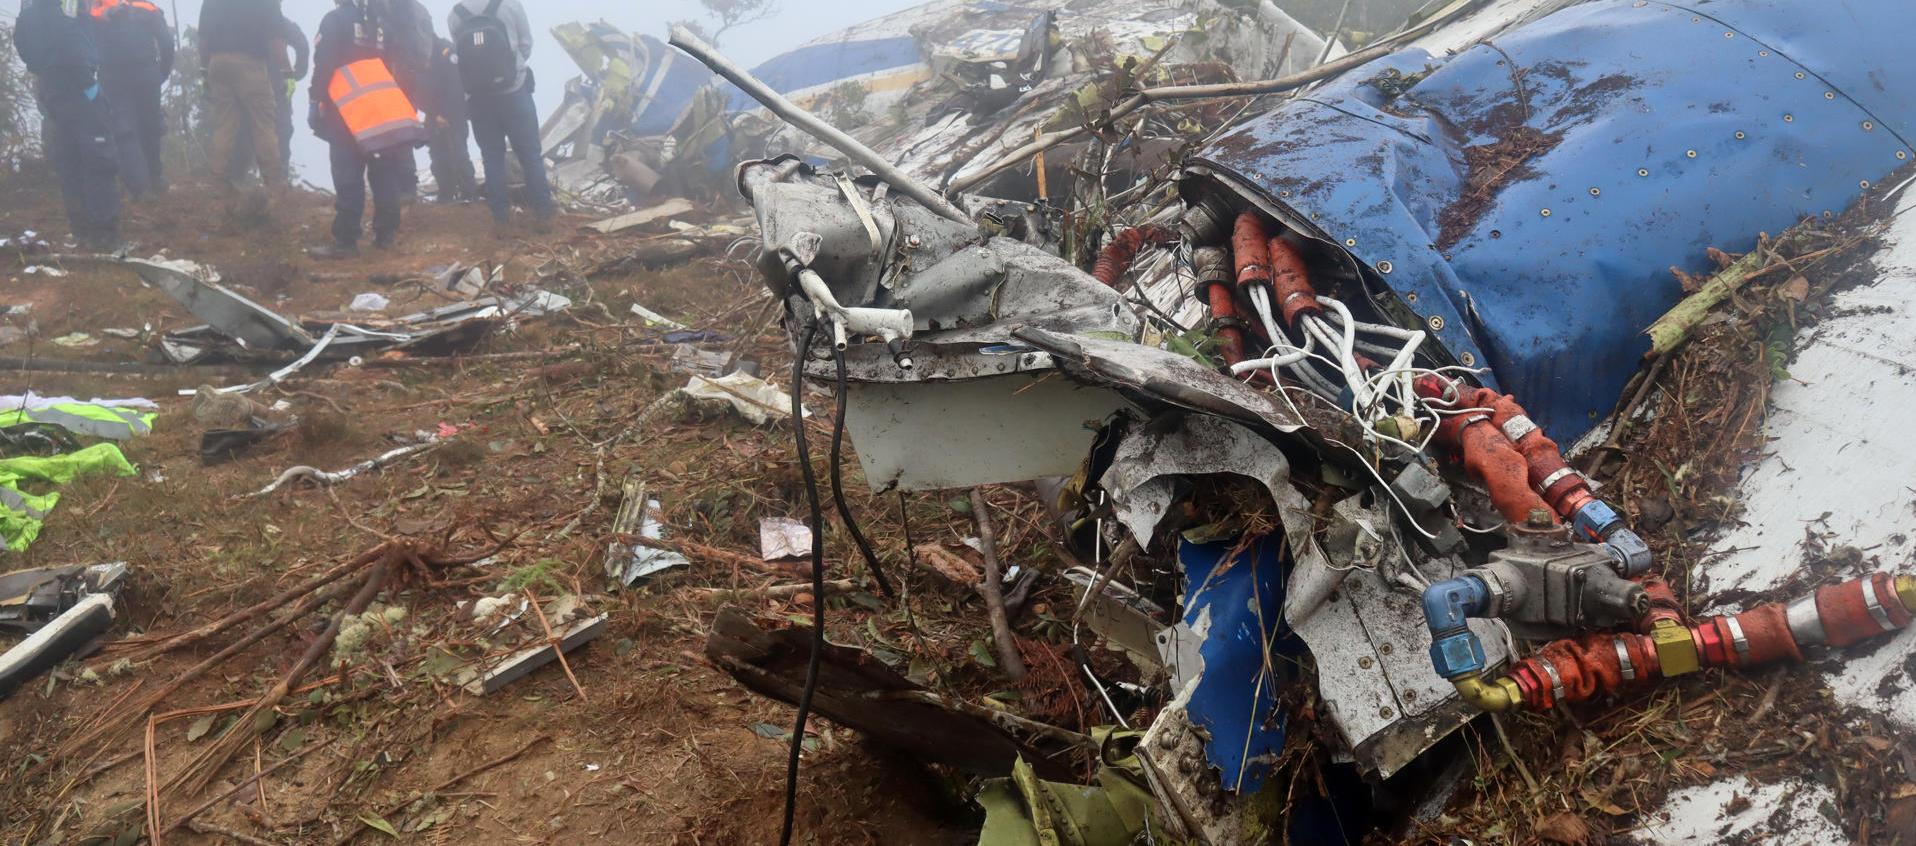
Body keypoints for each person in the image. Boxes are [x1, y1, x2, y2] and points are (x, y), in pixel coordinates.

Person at [309, 0, 428, 258]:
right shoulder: (381, 25)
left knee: (348, 175)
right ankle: (385, 235)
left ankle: (346, 242)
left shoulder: (334, 20)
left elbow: (324, 64)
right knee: (384, 172)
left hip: (346, 111)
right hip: (380, 110)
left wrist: (314, 99)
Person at [16, 0, 122, 251]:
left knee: (69, 156)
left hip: (51, 86)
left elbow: (21, 38)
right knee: (98, 153)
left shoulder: (32, 8)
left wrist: (40, 66)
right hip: (77, 81)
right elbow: (70, 32)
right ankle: (103, 233)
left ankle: (82, 229)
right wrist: (85, 77)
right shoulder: (68, 4)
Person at [449, 0, 555, 231]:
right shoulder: (509, 5)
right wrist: (510, 70)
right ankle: (544, 214)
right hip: (514, 92)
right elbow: (525, 44)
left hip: (478, 99)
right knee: (530, 155)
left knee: (492, 158)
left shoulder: (455, 14)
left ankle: (501, 219)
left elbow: (460, 56)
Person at [199, 0, 286, 208]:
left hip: (217, 63)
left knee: (225, 124)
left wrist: (204, 70)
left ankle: (218, 182)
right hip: (251, 64)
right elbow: (276, 40)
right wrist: (288, 72)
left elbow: (203, 38)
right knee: (263, 124)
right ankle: (274, 184)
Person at [92, 0, 173, 198]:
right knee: (151, 126)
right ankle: (155, 178)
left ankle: (139, 186)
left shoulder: (95, 10)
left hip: (113, 76)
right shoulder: (147, 8)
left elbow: (82, 40)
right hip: (147, 73)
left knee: (124, 130)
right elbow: (167, 43)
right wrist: (160, 74)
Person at [229, 16, 308, 184]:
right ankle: (280, 178)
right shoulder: (282, 22)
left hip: (249, 84)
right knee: (281, 129)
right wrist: (297, 73)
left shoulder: (243, 21)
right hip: (276, 84)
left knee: (245, 128)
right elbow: (302, 45)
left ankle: (236, 178)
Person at [422, 37, 477, 202]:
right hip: (433, 112)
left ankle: (469, 192)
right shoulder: (418, 53)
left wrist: (445, 114)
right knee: (438, 155)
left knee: (458, 151)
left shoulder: (446, 50)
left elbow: (456, 85)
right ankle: (446, 192)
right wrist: (433, 113)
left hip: (454, 111)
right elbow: (420, 88)